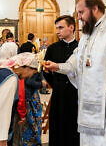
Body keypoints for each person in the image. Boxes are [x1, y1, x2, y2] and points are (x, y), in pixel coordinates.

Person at [45, 0, 106, 146]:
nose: (78, 18)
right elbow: (75, 62)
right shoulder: (87, 35)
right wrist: (57, 67)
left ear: (94, 8)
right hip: (88, 108)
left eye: (81, 12)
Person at [43, 15, 79, 146]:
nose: (57, 31)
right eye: (56, 28)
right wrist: (56, 84)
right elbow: (46, 72)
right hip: (59, 94)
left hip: (76, 95)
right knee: (58, 126)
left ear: (71, 28)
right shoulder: (52, 48)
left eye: (61, 27)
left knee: (74, 127)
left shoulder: (81, 47)